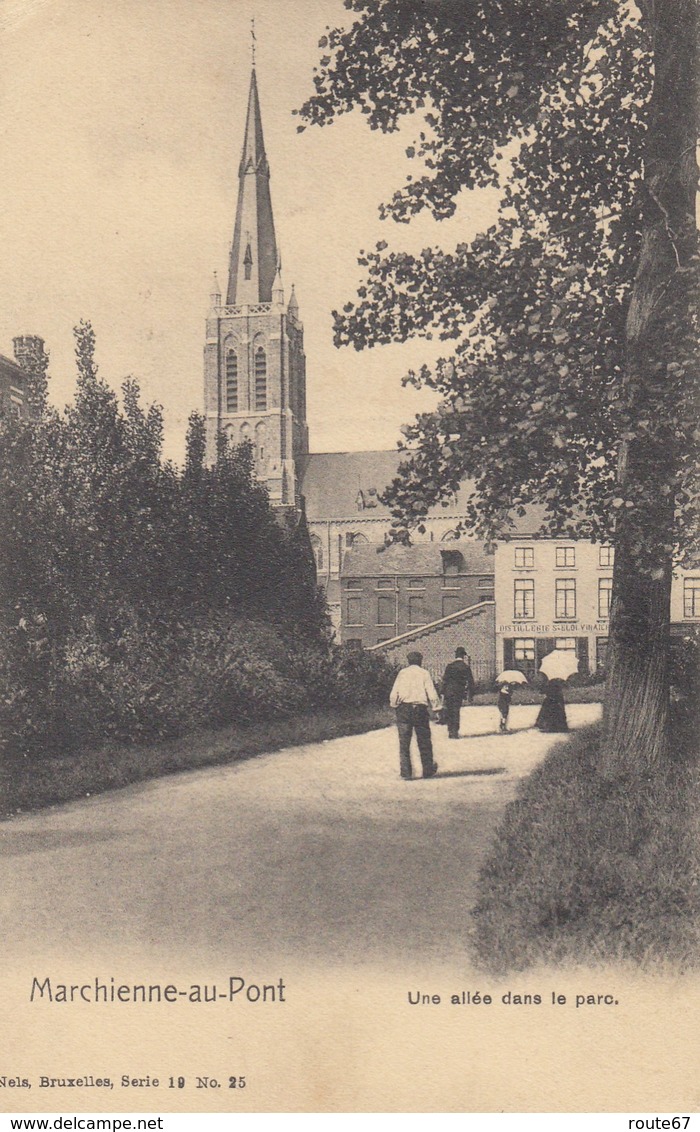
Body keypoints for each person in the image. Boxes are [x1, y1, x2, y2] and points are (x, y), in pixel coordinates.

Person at [389, 650, 441, 780]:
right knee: (424, 741)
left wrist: (395, 705)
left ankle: (406, 773)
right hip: (420, 710)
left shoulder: (402, 673)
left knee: (404, 742)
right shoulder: (424, 673)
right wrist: (436, 708)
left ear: (408, 661)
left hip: (404, 710)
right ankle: (427, 770)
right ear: (420, 661)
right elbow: (432, 693)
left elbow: (394, 693)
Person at [441, 647, 476, 739]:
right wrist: (471, 694)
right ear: (463, 656)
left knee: (449, 711)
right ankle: (455, 732)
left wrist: (442, 692)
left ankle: (450, 730)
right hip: (458, 692)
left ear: (456, 655)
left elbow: (445, 680)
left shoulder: (450, 666)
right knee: (456, 711)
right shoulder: (465, 667)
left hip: (448, 691)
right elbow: (471, 681)